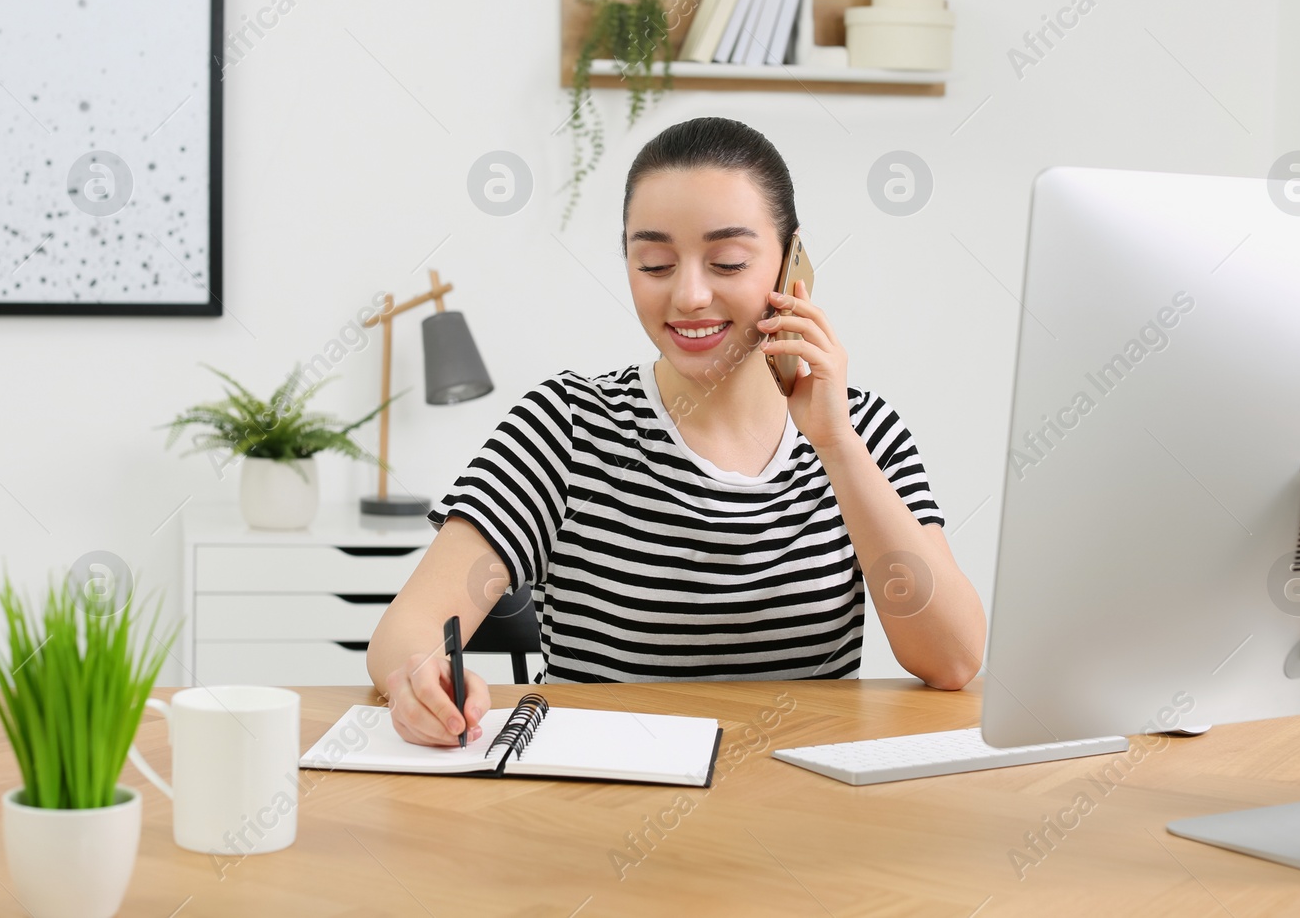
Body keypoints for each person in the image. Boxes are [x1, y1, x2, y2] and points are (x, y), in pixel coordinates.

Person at [366, 116, 986, 747]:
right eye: (656, 264)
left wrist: (836, 444)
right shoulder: (568, 424)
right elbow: (408, 629)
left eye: (728, 261)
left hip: (803, 810)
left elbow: (953, 659)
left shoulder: (864, 432)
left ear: (790, 263)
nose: (689, 295)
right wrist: (420, 676)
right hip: (594, 804)